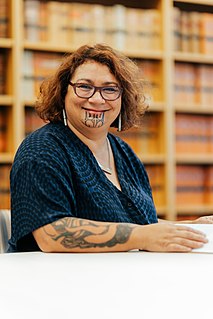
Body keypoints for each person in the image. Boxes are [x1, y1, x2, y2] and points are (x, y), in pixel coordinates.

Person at [9, 43, 213, 253]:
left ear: (122, 98)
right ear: (63, 93)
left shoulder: (124, 153)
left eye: (109, 89)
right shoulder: (42, 149)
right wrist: (142, 237)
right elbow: (50, 234)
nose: (97, 99)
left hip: (114, 278)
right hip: (53, 281)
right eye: (84, 87)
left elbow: (141, 225)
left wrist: (190, 229)